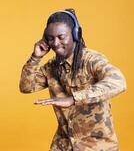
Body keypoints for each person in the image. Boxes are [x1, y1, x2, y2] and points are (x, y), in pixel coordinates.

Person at [19, 8, 126, 151]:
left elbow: (118, 82)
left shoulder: (91, 59)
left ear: (75, 34)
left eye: (61, 37)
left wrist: (73, 99)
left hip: (97, 146)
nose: (55, 43)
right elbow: (26, 87)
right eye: (50, 38)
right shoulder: (51, 66)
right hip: (64, 144)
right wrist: (35, 57)